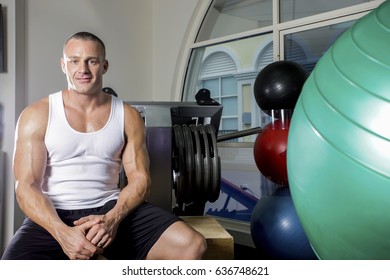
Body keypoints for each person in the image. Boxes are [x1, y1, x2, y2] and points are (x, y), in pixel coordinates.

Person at [1, 31, 206, 260]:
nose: (83, 70)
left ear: (104, 65)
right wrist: (63, 233)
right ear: (63, 65)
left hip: (110, 207)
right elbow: (26, 186)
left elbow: (140, 179)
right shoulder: (37, 114)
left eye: (92, 61)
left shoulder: (127, 115)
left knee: (191, 245)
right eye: (74, 61)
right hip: (53, 213)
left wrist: (112, 219)